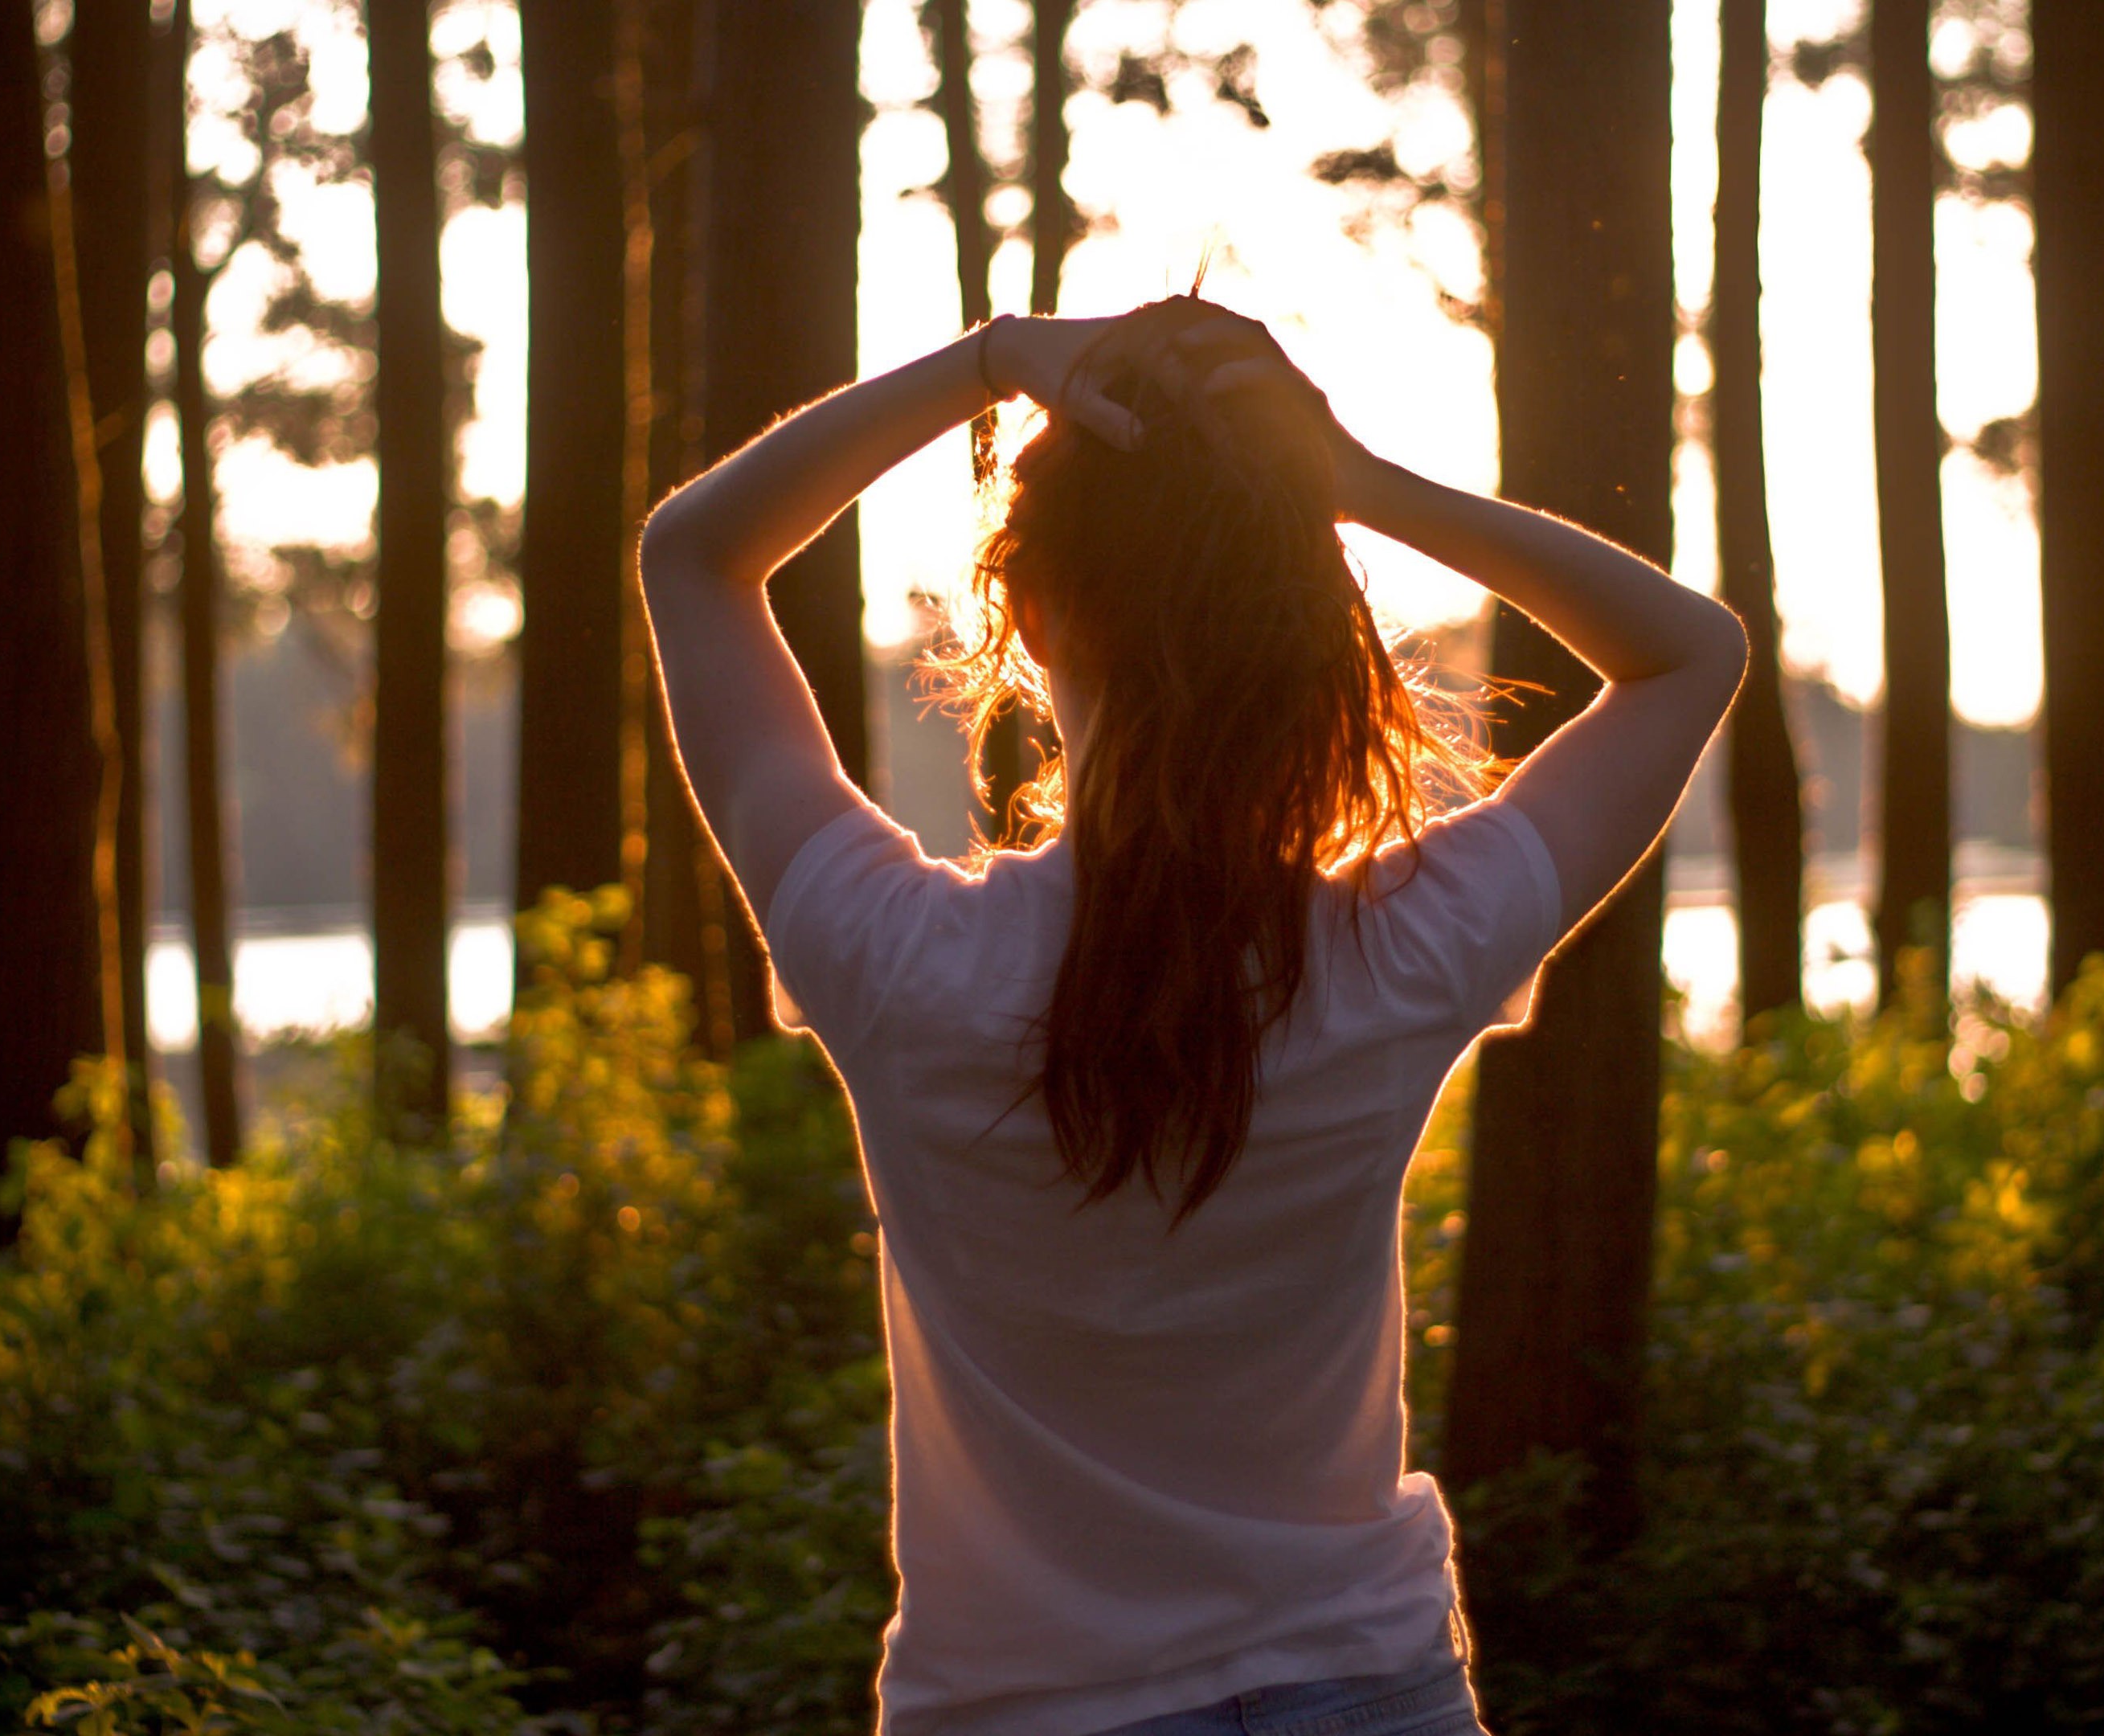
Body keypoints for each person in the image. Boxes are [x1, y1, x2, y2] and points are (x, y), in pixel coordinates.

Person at [637, 297, 1747, 1736]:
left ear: (1026, 614)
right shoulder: (1395, 953)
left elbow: (696, 557)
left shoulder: (898, 958)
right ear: (1301, 624)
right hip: (1365, 1692)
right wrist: (1351, 486)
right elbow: (1688, 653)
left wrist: (984, 362)